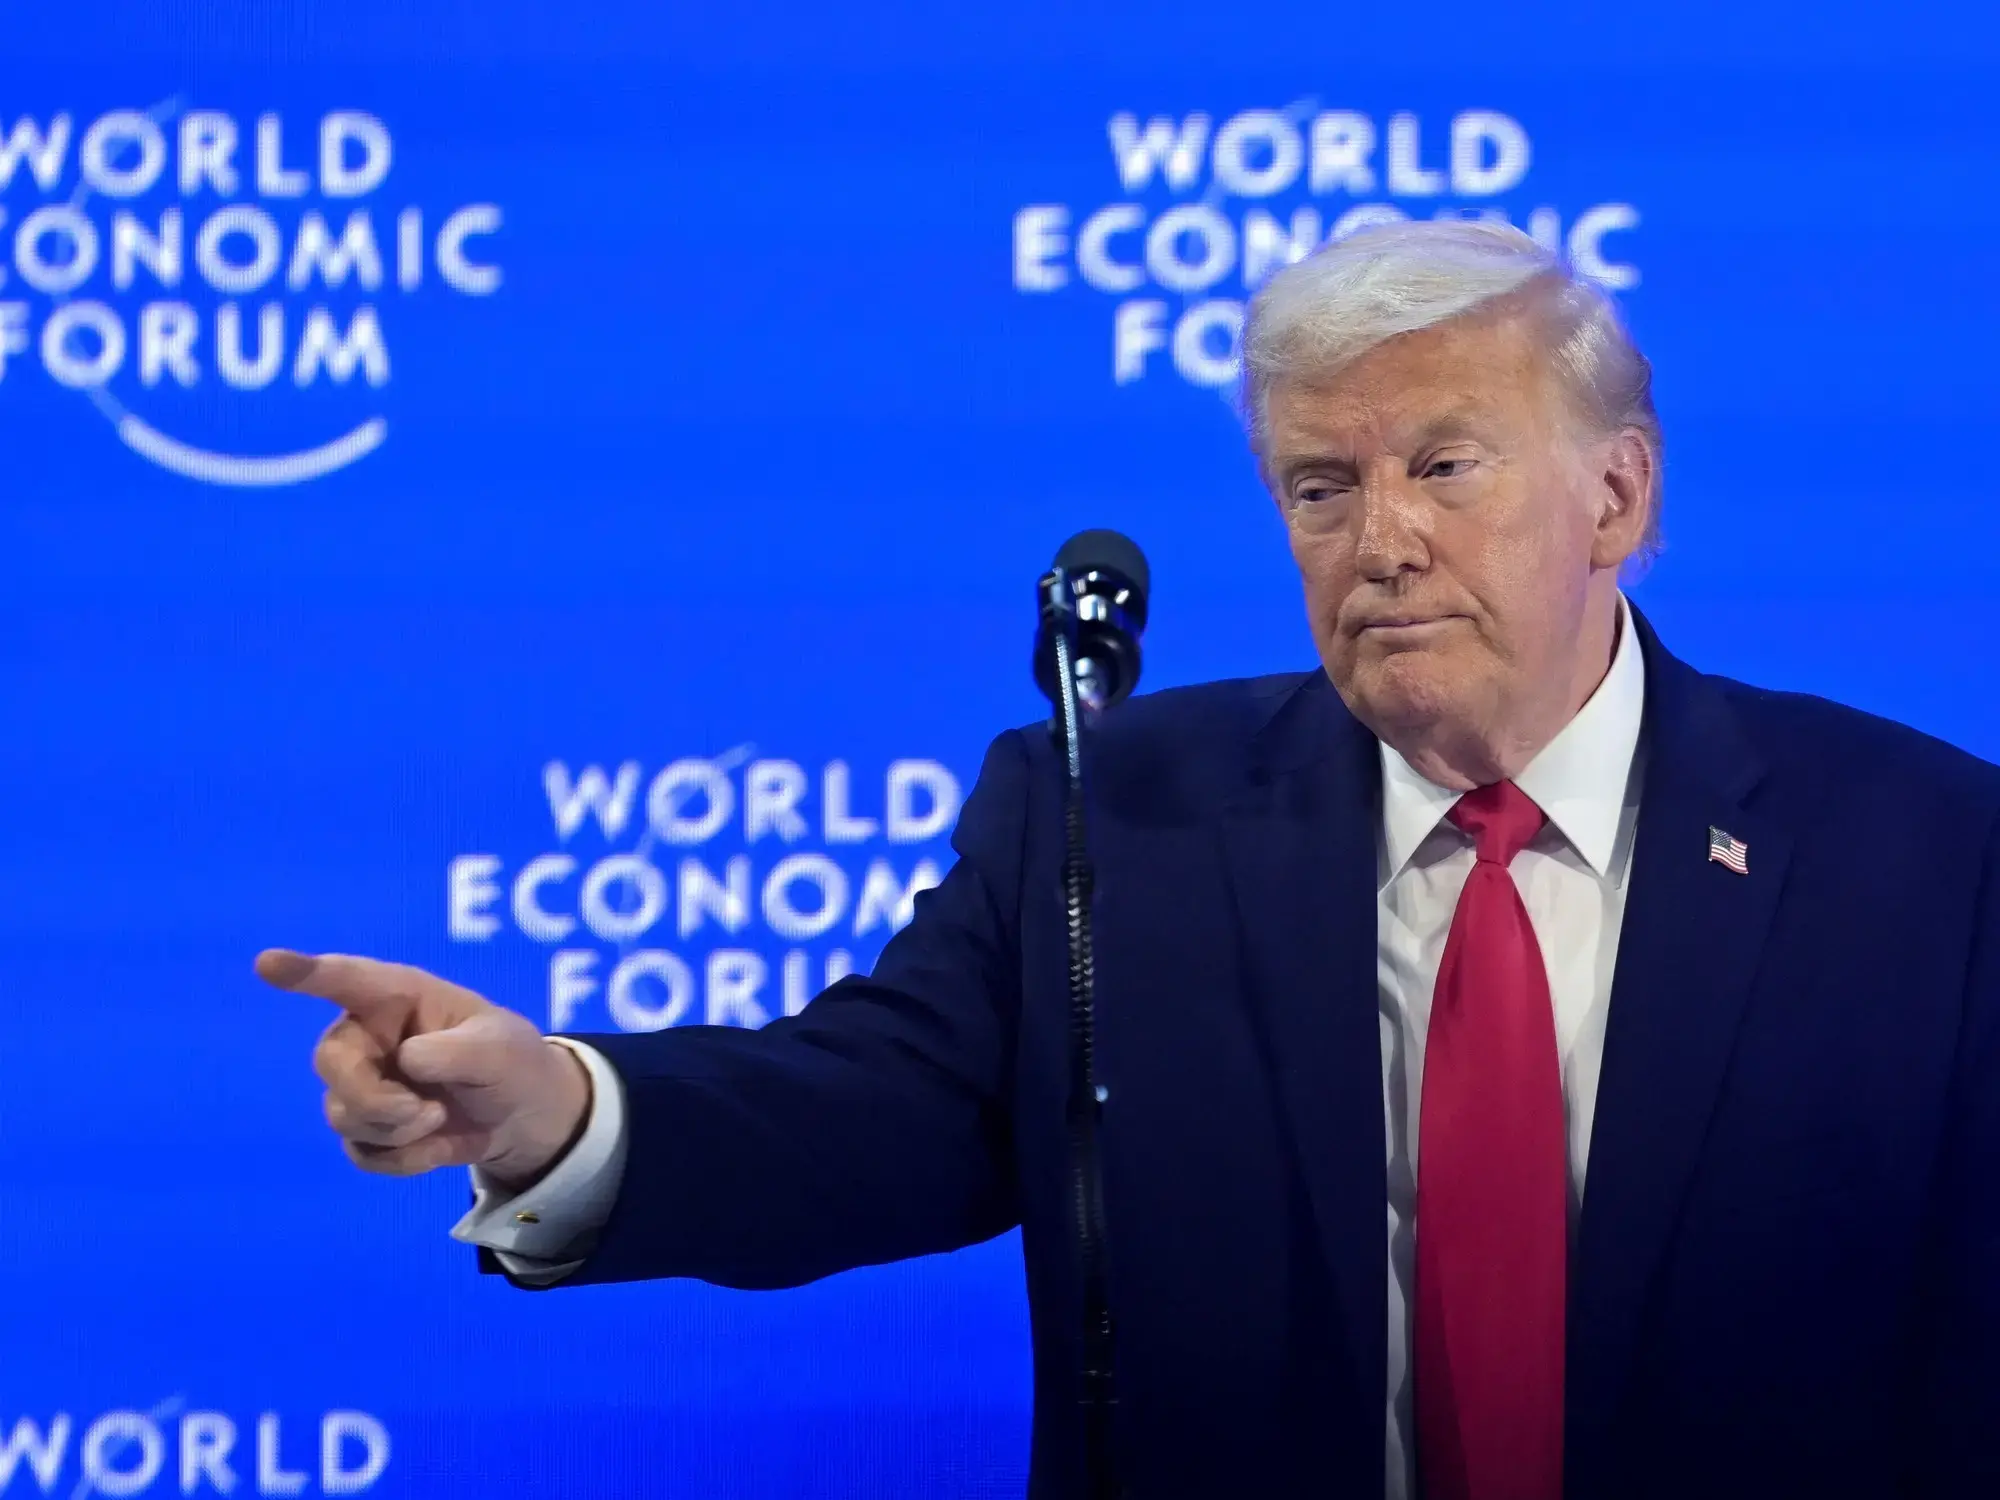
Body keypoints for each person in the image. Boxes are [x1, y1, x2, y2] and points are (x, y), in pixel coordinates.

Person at [260, 219, 2000, 1500]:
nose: (1380, 538)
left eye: (1445, 467)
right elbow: (866, 1116)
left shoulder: (1920, 852)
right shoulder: (1111, 816)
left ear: (1616, 498)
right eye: (1319, 488)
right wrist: (559, 1112)